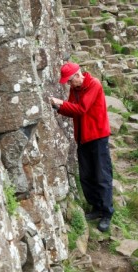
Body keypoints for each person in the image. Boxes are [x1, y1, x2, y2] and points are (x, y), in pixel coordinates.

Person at [50, 62, 114, 232]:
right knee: (86, 175)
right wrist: (59, 107)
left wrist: (61, 103)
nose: (69, 85)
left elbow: (82, 109)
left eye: (70, 81)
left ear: (78, 75)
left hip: (98, 137)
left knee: (102, 175)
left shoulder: (94, 85)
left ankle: (107, 212)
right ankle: (96, 208)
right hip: (83, 138)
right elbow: (72, 110)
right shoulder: (75, 89)